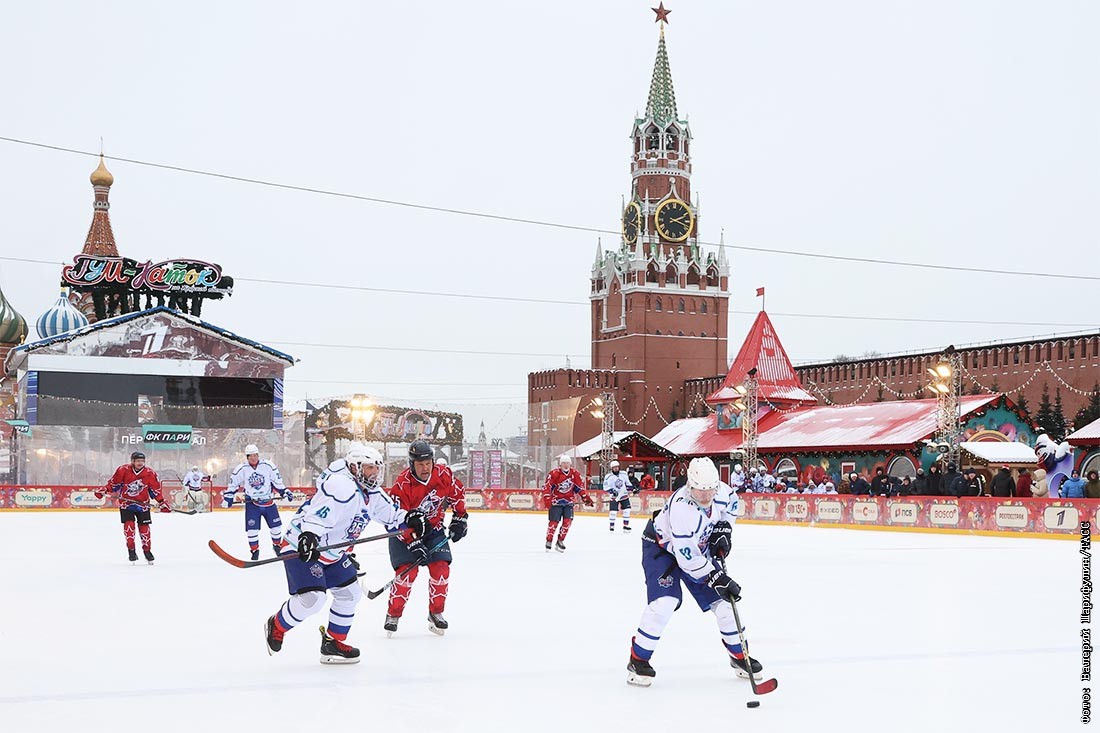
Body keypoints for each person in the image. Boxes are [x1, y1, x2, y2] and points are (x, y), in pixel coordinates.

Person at [265, 443, 426, 664]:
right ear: (355, 467)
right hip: (302, 546)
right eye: (370, 468)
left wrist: (409, 519)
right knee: (313, 598)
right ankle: (277, 625)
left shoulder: (372, 493)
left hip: (333, 553)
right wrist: (310, 536)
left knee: (350, 594)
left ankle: (332, 644)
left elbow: (392, 516)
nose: (375, 473)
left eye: (377, 468)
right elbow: (318, 515)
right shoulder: (342, 486)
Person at [626, 457, 762, 687]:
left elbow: (732, 503)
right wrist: (715, 576)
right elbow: (687, 559)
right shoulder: (681, 508)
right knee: (665, 602)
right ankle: (638, 660)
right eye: (700, 491)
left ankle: (740, 657)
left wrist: (725, 529)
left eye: (710, 491)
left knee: (725, 604)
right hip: (662, 549)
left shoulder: (722, 492)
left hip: (698, 548)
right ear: (690, 486)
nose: (706, 497)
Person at [385, 440, 469, 637]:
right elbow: (395, 520)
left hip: (434, 529)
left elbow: (457, 493)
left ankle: (436, 613)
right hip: (404, 533)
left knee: (441, 570)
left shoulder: (443, 474)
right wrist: (413, 542)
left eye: (428, 463)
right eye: (420, 464)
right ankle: (393, 614)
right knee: (407, 574)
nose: (425, 468)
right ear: (411, 464)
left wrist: (460, 518)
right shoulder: (402, 484)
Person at [223, 444, 295, 561]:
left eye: (255, 455)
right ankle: (255, 551)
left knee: (276, 528)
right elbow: (233, 484)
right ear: (247, 457)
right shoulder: (241, 469)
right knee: (252, 530)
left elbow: (277, 481)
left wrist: (284, 491)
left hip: (268, 502)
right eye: (251, 456)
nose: (253, 458)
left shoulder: (268, 465)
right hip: (252, 504)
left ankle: (277, 546)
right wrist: (228, 496)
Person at [98, 451, 171, 564]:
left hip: (143, 505)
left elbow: (155, 490)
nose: (140, 463)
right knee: (129, 527)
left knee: (144, 529)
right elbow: (113, 484)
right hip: (126, 504)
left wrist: (161, 502)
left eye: (142, 461)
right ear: (132, 461)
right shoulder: (123, 470)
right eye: (137, 461)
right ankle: (131, 550)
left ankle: (147, 551)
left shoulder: (150, 473)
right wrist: (104, 490)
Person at [542, 455, 594, 551]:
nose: (566, 465)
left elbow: (579, 488)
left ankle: (560, 541)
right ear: (560, 464)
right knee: (553, 523)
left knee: (567, 523)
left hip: (569, 503)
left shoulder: (575, 474)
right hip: (556, 503)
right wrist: (547, 498)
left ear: (570, 463)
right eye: (563, 463)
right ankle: (549, 540)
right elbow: (547, 487)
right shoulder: (554, 474)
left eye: (567, 463)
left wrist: (585, 498)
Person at [605, 460, 633, 532]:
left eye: (617, 467)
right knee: (613, 512)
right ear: (612, 468)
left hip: (624, 496)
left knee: (627, 510)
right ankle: (612, 526)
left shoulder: (624, 474)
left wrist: (632, 488)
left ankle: (625, 526)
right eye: (614, 467)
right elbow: (605, 487)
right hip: (614, 497)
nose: (616, 468)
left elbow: (628, 484)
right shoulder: (608, 477)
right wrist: (612, 491)